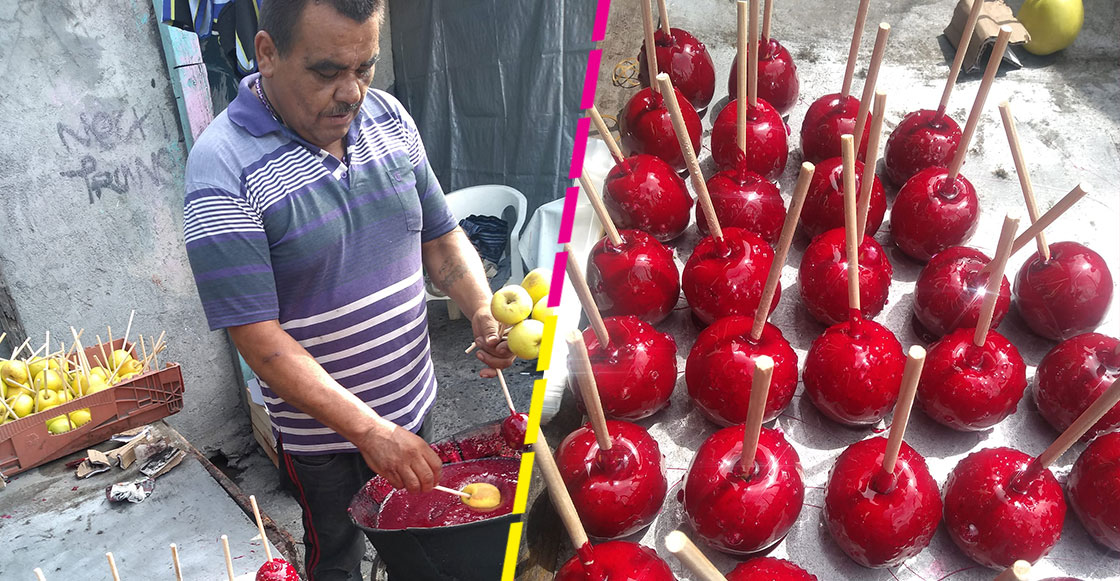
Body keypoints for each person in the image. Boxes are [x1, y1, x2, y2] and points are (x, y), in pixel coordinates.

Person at [181, 0, 515, 579]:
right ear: (267, 53)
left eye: (364, 68)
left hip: (416, 404)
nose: (352, 92)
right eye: (327, 71)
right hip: (324, 446)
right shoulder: (221, 171)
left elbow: (440, 237)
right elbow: (258, 341)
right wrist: (369, 432)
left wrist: (483, 310)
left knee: (423, 538)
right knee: (336, 558)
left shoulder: (390, 118)